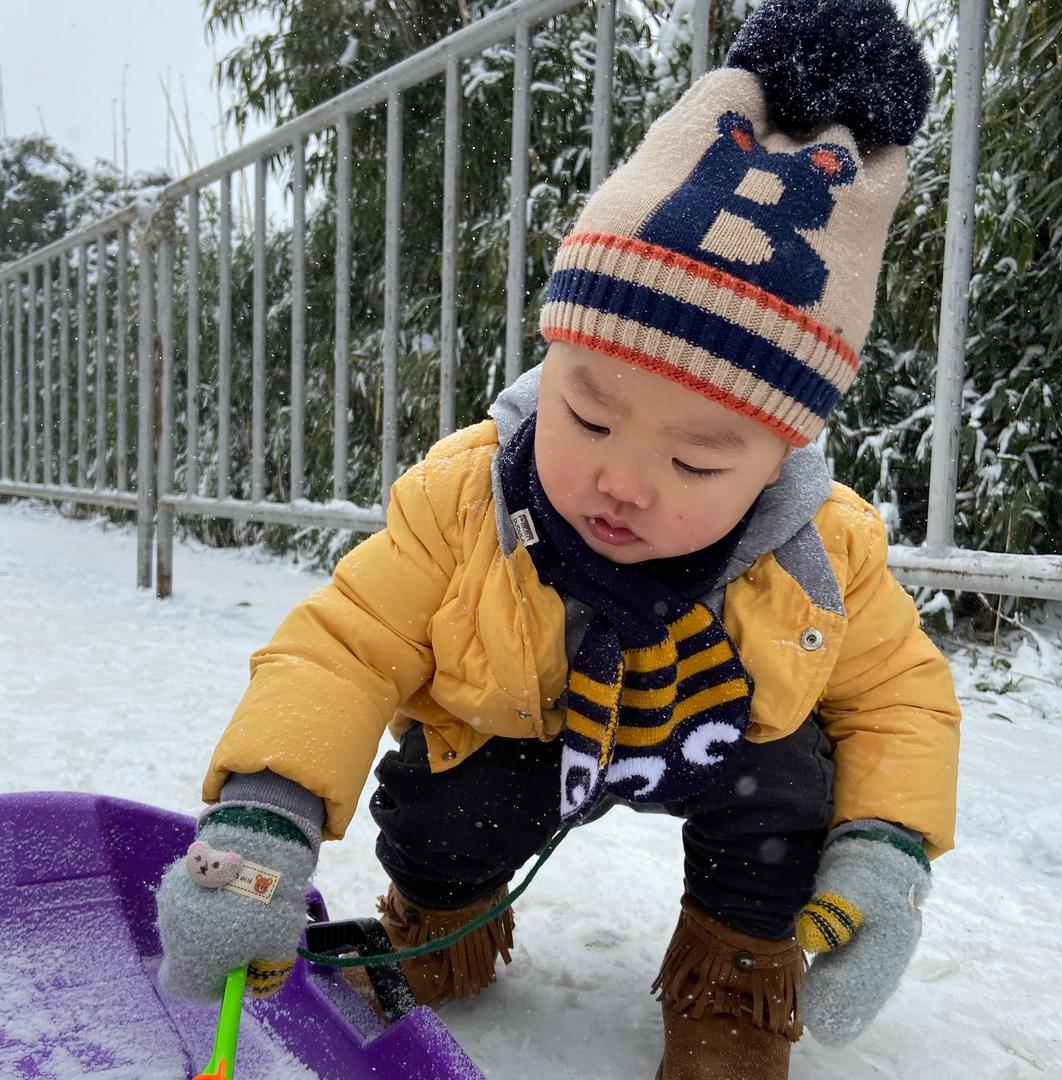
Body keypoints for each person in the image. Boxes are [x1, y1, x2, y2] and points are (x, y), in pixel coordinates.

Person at [155, 1, 961, 1076]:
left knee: (792, 786)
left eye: (697, 461)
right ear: (554, 360)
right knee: (449, 790)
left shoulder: (823, 547)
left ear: (782, 456)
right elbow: (342, 649)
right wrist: (264, 821)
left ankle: (733, 974)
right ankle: (447, 917)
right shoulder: (466, 497)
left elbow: (902, 699)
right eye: (588, 416)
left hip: (713, 744)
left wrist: (886, 855)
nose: (624, 480)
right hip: (521, 734)